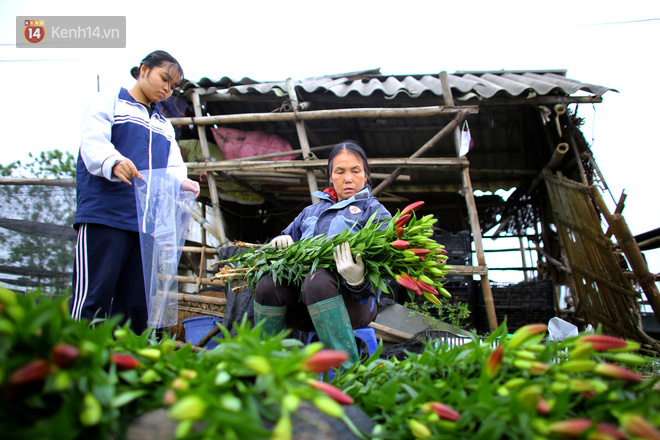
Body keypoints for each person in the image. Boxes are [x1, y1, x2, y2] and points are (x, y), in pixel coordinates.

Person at [69, 50, 200, 334]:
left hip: (145, 227)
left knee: (135, 305)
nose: (167, 89)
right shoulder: (109, 102)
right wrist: (113, 160)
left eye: (173, 86)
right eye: (164, 78)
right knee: (93, 297)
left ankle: (124, 370)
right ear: (143, 70)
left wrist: (183, 183)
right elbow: (93, 143)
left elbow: (173, 167)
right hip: (106, 216)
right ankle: (76, 363)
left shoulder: (164, 126)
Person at [253, 141, 391, 365]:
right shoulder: (310, 212)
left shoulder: (374, 212)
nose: (348, 178)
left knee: (317, 280)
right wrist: (279, 242)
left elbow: (388, 269)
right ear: (330, 177)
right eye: (340, 172)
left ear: (365, 175)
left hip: (355, 304)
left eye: (355, 171)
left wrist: (358, 281)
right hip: (305, 308)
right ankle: (264, 368)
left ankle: (347, 374)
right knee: (269, 284)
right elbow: (284, 240)